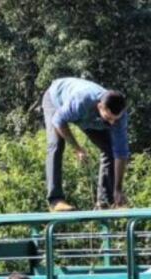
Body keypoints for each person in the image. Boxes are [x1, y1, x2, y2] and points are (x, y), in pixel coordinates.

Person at [42, 77, 130, 212]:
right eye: (108, 118)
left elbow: (121, 153)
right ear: (100, 106)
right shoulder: (82, 101)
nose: (112, 123)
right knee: (56, 144)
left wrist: (118, 189)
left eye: (115, 120)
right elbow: (58, 121)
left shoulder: (119, 117)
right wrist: (77, 148)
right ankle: (56, 200)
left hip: (87, 118)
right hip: (56, 100)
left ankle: (105, 203)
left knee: (110, 149)